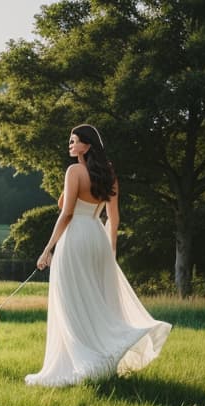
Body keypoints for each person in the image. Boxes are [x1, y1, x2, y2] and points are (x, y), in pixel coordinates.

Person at [25, 124, 172, 387]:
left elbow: (66, 213)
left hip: (75, 238)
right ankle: (103, 355)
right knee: (95, 299)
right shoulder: (108, 174)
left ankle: (83, 362)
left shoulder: (74, 172)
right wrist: (111, 251)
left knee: (72, 301)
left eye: (74, 141)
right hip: (97, 237)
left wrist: (48, 249)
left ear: (88, 145)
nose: (69, 145)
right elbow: (113, 218)